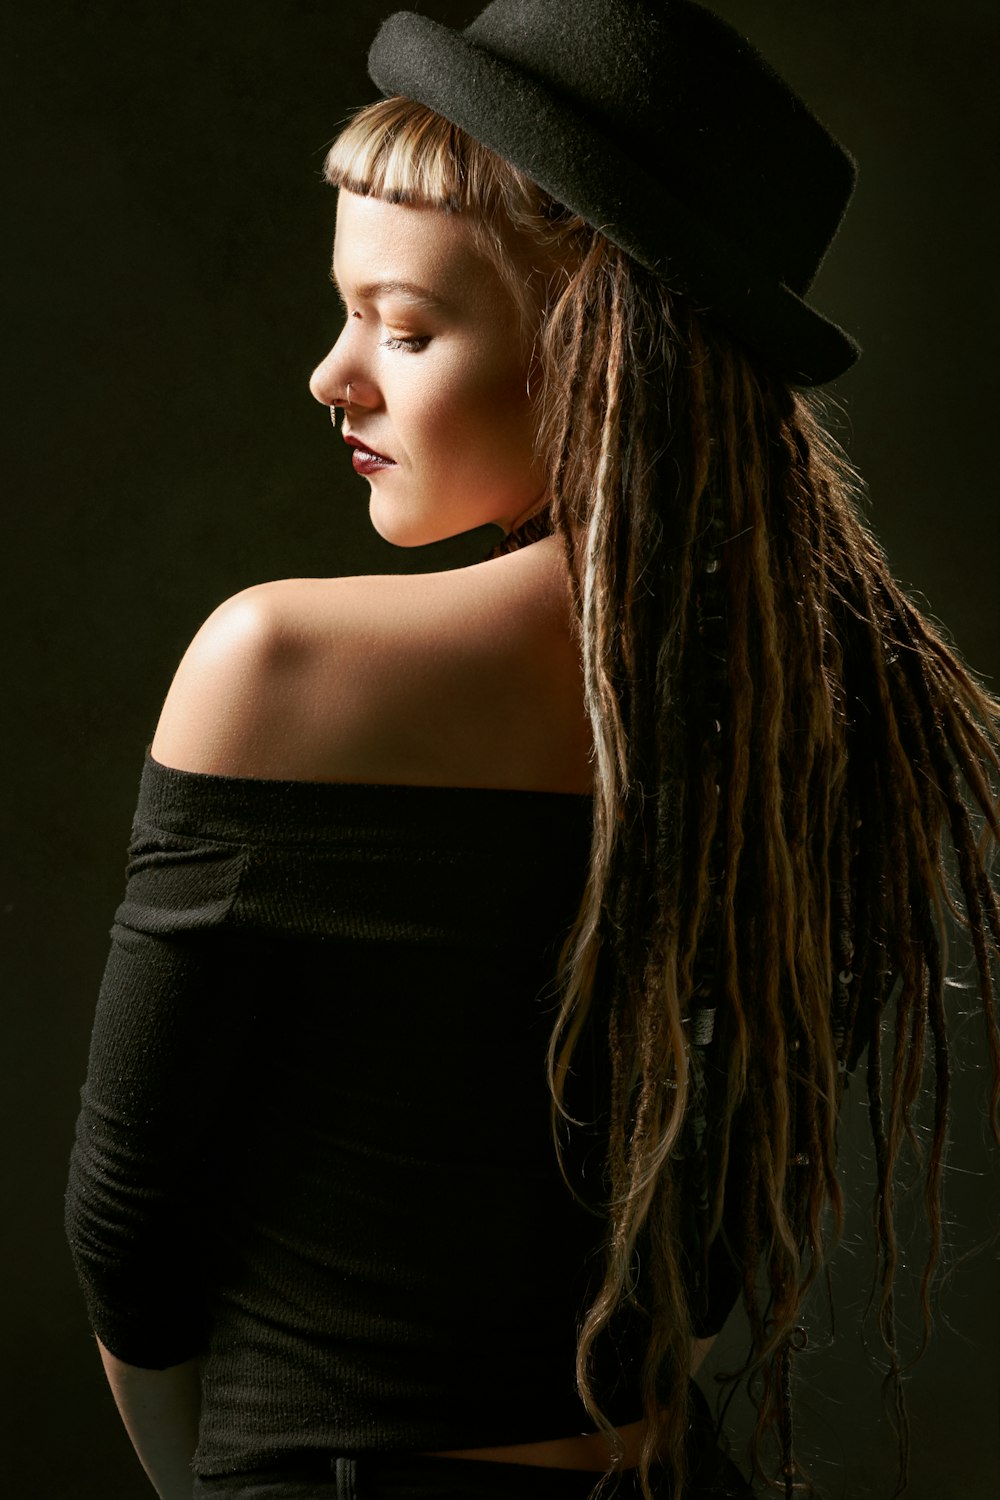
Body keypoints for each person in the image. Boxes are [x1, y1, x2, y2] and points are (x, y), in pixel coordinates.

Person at [64, 3, 1000, 1499]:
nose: (335, 376)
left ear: (594, 347)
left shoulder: (281, 662)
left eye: (406, 326)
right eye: (348, 310)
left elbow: (131, 1229)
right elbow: (714, 1260)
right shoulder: (804, 706)